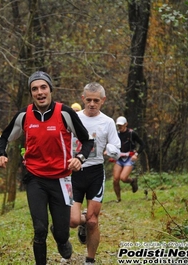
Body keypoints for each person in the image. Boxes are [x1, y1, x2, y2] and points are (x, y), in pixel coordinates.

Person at [0, 71, 94, 265]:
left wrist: (80, 158)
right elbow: (4, 137)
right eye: (35, 89)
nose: (40, 92)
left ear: (50, 90)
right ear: (31, 93)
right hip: (35, 178)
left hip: (61, 179)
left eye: (43, 88)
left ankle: (61, 239)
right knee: (39, 229)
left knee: (62, 232)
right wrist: (0, 154)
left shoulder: (65, 113)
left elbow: (87, 141)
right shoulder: (24, 115)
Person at [69, 82, 121, 265]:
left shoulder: (107, 122)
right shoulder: (73, 118)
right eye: (88, 100)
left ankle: (90, 260)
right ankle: (80, 222)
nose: (92, 104)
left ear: (103, 101)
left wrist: (112, 149)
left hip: (95, 173)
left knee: (92, 221)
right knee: (73, 220)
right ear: (83, 99)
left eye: (96, 100)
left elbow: (116, 144)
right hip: (74, 172)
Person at [112, 116, 145, 202]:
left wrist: (136, 154)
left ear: (126, 124)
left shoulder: (132, 133)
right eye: (118, 125)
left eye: (121, 125)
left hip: (129, 158)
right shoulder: (116, 134)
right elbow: (112, 144)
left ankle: (132, 181)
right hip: (119, 158)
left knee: (123, 178)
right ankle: (118, 199)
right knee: (115, 179)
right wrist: (108, 151)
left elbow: (142, 144)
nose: (119, 127)